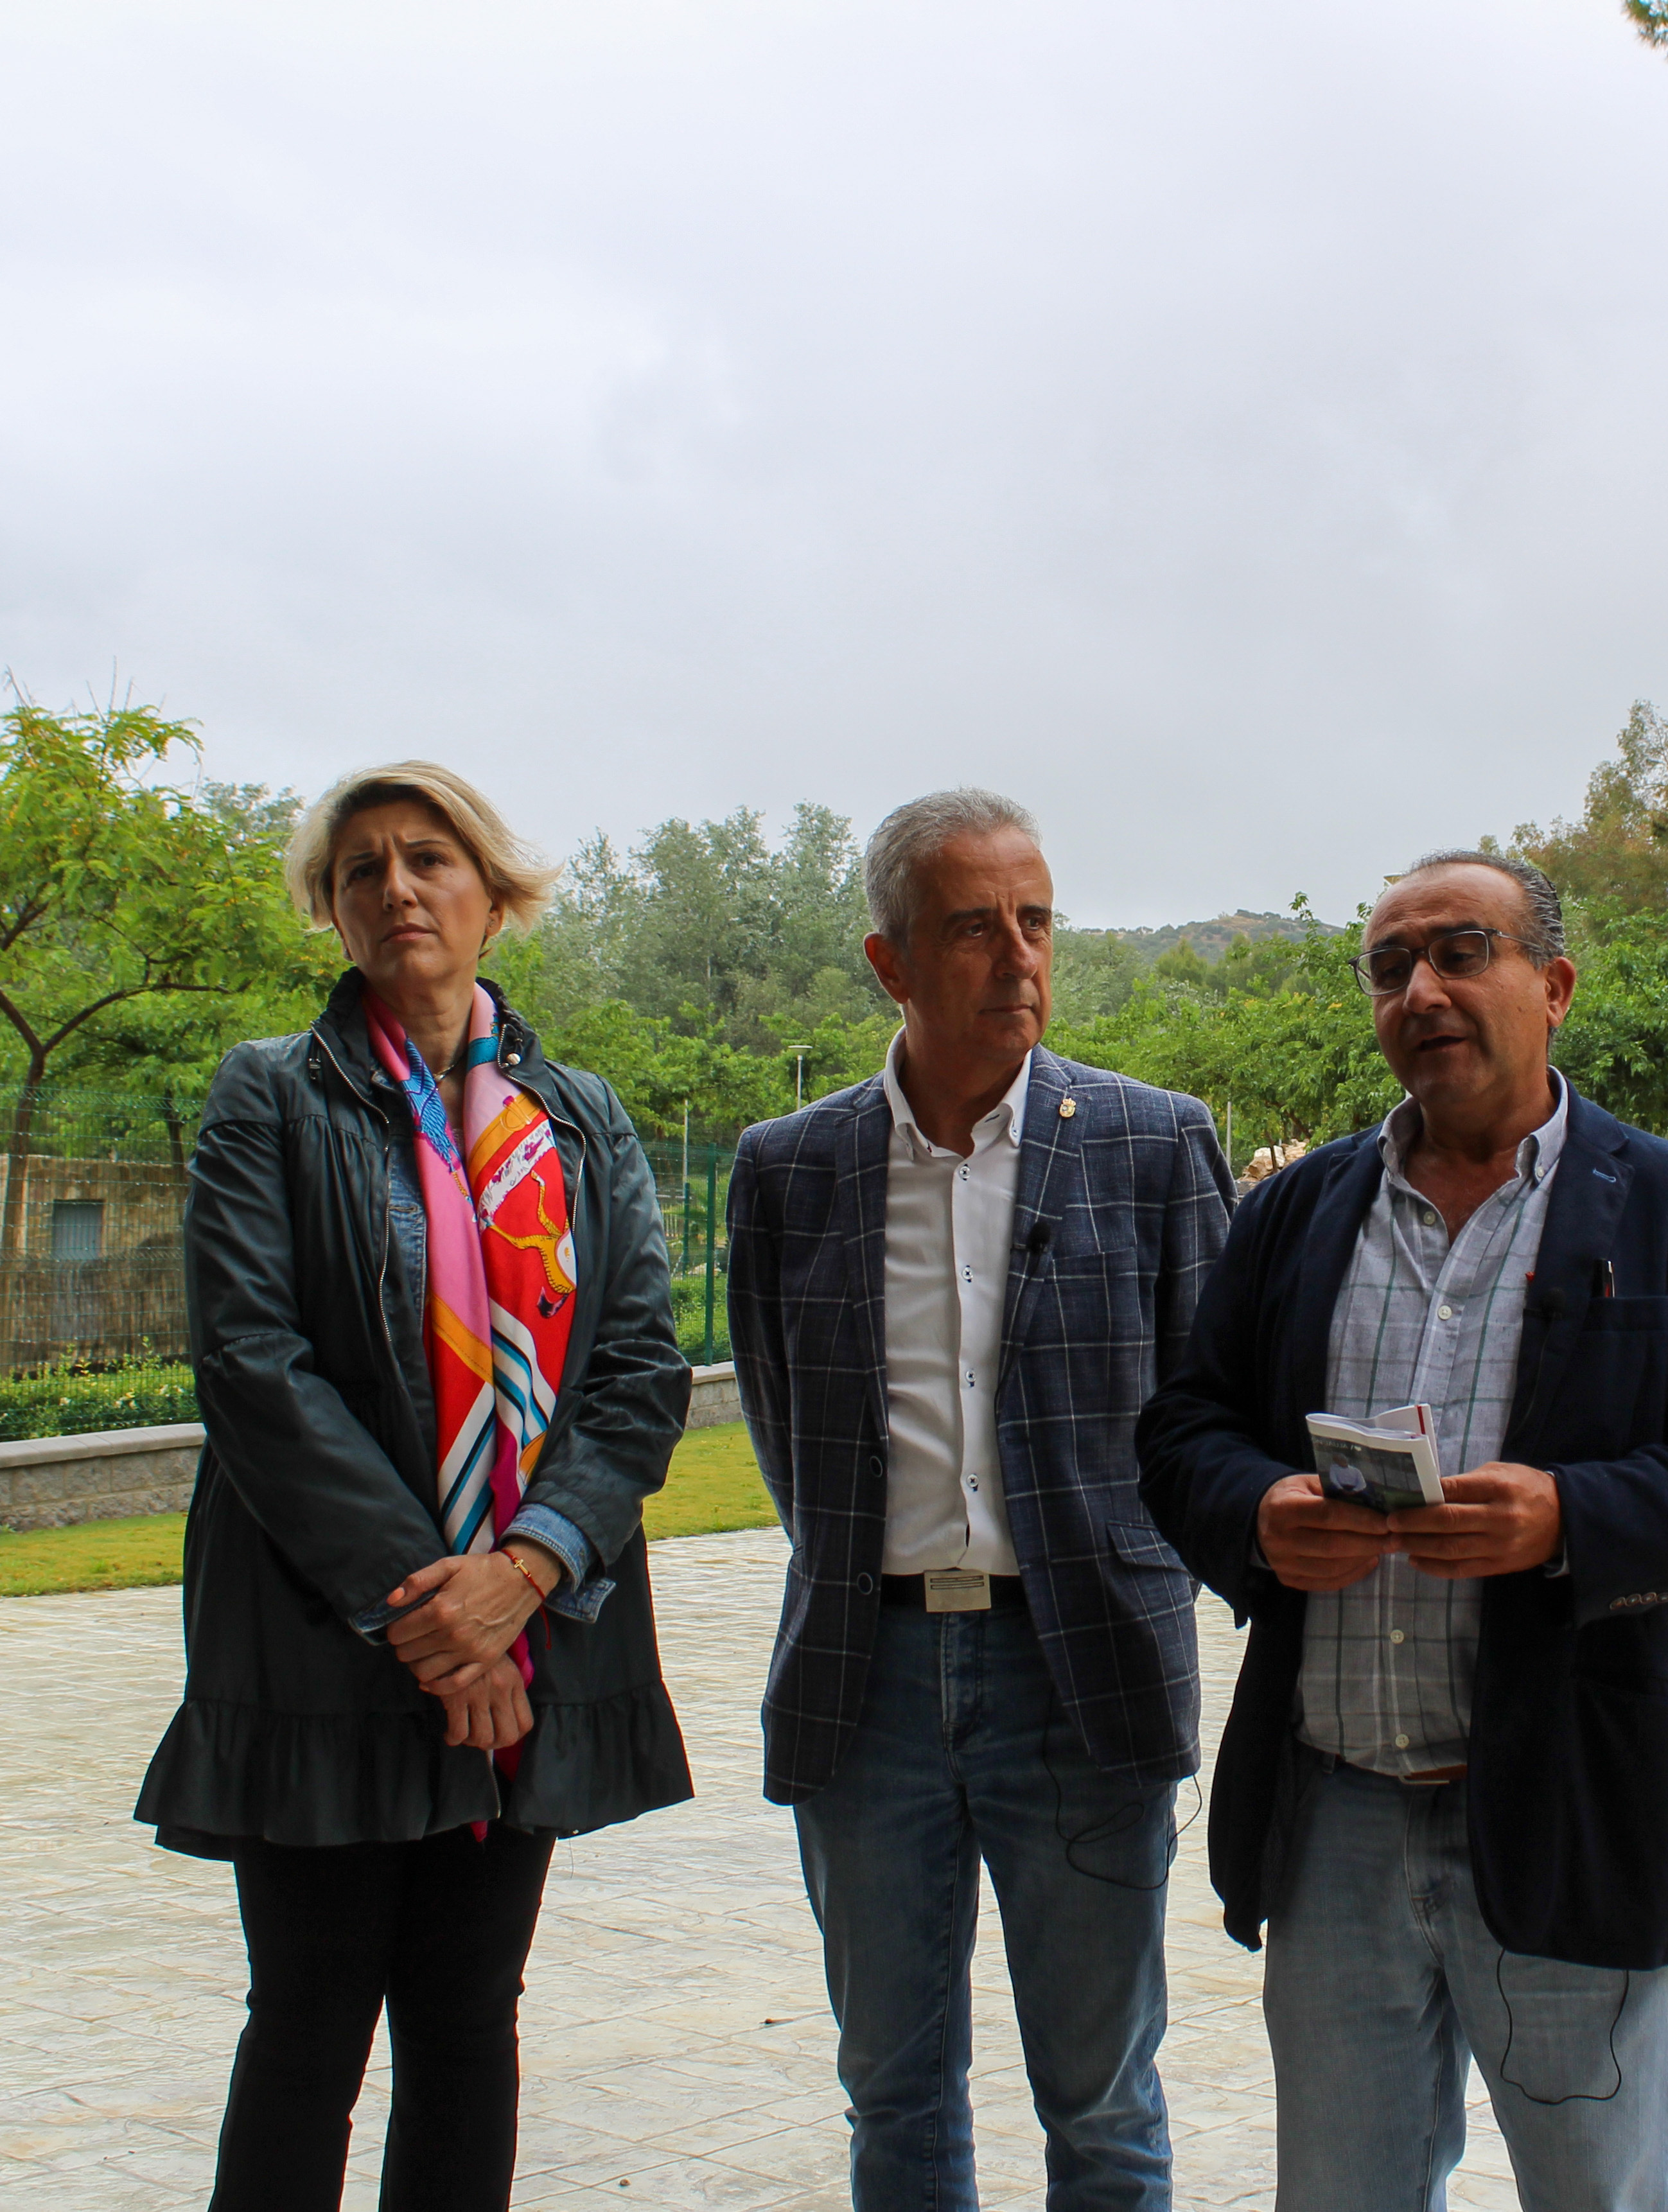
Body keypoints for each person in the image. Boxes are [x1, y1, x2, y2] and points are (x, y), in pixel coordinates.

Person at [1138, 850, 1668, 2212]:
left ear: (1554, 985)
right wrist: (1258, 1516)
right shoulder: (1293, 1215)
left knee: (1600, 2190)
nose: (1422, 991)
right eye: (1390, 967)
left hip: (1569, 1806)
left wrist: (1575, 1515)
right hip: (1331, 1817)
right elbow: (1184, 1432)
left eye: (1462, 952)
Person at [137, 762, 695, 2212]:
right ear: (331, 911)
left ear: (494, 898)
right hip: (330, 1646)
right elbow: (254, 1366)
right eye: (362, 869)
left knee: (466, 2025)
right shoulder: (270, 1094)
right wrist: (435, 1615)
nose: (397, 889)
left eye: (429, 859)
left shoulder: (580, 1121)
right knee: (308, 2030)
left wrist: (528, 1572)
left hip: (530, 1636)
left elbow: (640, 1371)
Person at [726, 789, 1233, 2211]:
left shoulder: (1151, 1144)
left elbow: (1206, 1416)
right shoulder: (788, 1170)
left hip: (1082, 1679)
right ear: (890, 961)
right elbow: (785, 1426)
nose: (1019, 956)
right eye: (972, 928)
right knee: (894, 2101)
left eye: (1036, 920)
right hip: (865, 1685)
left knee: (1105, 2107)